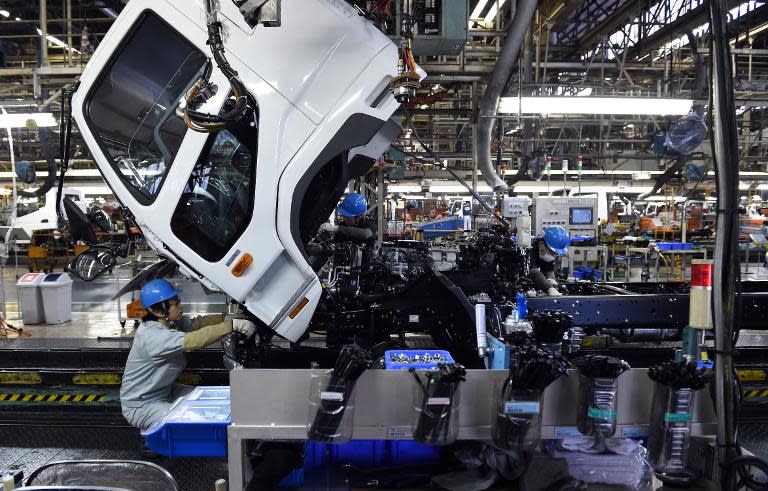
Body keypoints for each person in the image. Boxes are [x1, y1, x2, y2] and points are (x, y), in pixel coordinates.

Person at [120, 279, 256, 432]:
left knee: (205, 401)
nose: (180, 306)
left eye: (178, 301)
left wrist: (225, 318)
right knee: (192, 417)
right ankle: (150, 437)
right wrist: (231, 326)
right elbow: (193, 340)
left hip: (165, 392)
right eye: (175, 304)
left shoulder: (169, 323)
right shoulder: (152, 335)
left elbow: (196, 325)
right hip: (142, 405)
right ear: (158, 311)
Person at [529, 226, 569, 296]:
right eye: (552, 251)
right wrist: (549, 288)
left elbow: (549, 271)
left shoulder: (544, 253)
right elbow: (533, 272)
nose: (554, 255)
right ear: (541, 244)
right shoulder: (528, 249)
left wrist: (552, 280)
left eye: (556, 253)